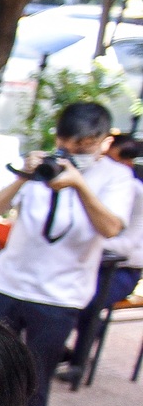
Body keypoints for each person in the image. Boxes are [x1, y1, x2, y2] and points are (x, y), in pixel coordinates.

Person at [0, 100, 136, 406]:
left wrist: (80, 185)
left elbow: (112, 228)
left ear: (102, 140)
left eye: (83, 145)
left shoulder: (117, 179)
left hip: (60, 296)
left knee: (36, 375)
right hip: (9, 283)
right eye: (67, 143)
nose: (73, 151)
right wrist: (22, 176)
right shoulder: (40, 166)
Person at [58, 133, 143, 385]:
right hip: (97, 264)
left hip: (122, 270)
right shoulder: (104, 182)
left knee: (89, 302)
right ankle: (58, 348)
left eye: (111, 158)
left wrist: (93, 239)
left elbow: (127, 244)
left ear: (127, 162)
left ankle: (78, 364)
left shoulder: (135, 192)